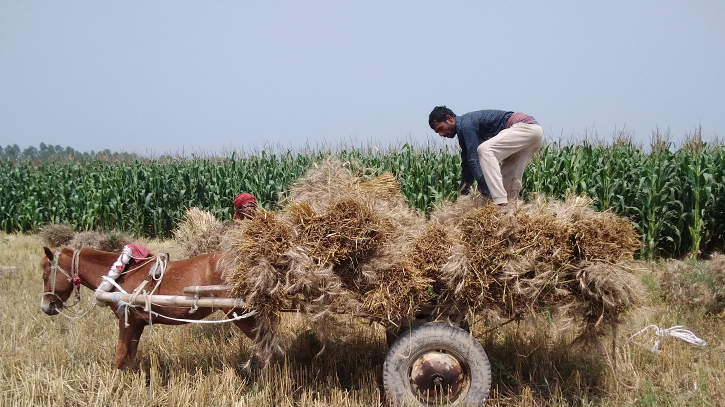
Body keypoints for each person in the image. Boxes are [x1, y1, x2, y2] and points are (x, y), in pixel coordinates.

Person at [428, 106, 543, 211]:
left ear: (449, 119)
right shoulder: (464, 131)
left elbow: (474, 158)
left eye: (440, 129)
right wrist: (463, 196)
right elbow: (467, 164)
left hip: (525, 127)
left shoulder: (465, 124)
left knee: (485, 149)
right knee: (509, 177)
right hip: (535, 134)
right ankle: (510, 210)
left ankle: (500, 203)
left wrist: (487, 192)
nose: (441, 134)